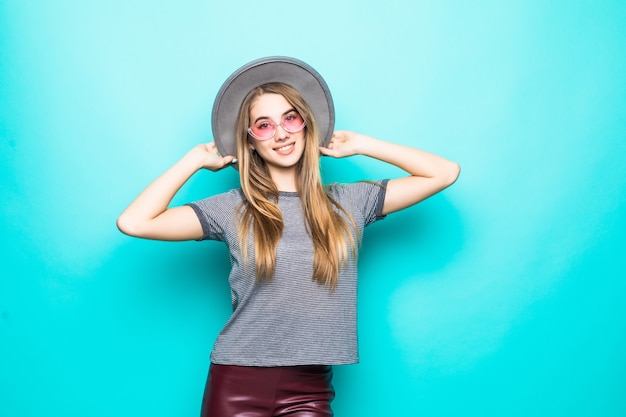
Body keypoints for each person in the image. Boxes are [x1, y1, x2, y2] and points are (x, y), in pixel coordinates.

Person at [117, 56, 460, 417]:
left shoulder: (350, 202)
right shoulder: (233, 208)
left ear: (306, 126)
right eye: (263, 126)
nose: (280, 133)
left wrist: (361, 143)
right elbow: (135, 222)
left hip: (310, 387)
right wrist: (192, 161)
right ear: (249, 142)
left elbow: (443, 172)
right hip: (238, 382)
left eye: (290, 118)